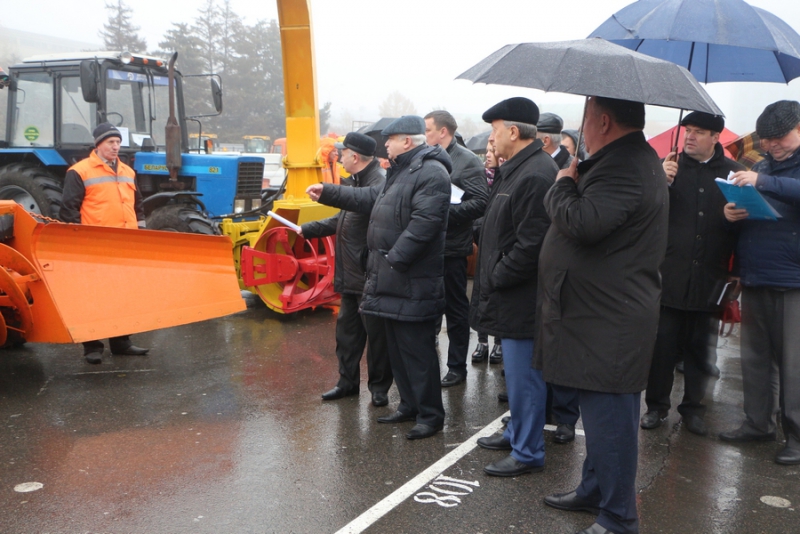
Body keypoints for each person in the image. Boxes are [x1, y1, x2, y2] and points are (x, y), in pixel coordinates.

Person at [536, 96, 668, 534]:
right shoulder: (623, 159)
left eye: (588, 120)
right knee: (601, 418)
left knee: (610, 423)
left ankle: (618, 517)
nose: (585, 129)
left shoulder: (626, 165)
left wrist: (563, 182)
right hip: (602, 314)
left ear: (605, 120)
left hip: (609, 320)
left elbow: (584, 222)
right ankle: (595, 490)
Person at [306, 116, 451, 440]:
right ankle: (409, 407)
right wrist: (328, 191)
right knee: (398, 349)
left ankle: (430, 416)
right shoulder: (399, 173)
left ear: (407, 142)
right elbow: (368, 200)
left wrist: (393, 259)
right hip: (391, 279)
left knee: (418, 351)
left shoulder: (431, 173)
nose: (385, 145)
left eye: (391, 140)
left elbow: (425, 224)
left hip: (410, 280)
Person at [641, 112, 744, 436]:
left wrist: (732, 218)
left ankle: (693, 409)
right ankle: (656, 406)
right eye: (688, 130)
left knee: (701, 349)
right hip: (668, 273)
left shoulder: (733, 174)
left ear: (716, 137)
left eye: (699, 132)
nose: (690, 137)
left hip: (709, 276)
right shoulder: (666, 166)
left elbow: (747, 227)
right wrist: (659, 181)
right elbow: (643, 214)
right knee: (662, 347)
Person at [469, 97, 556, 477]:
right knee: (516, 378)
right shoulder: (515, 169)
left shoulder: (535, 173)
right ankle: (517, 431)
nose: (492, 137)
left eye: (494, 130)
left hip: (522, 297)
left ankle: (528, 451)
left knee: (526, 378)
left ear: (513, 132)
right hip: (508, 294)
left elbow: (531, 244)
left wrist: (496, 275)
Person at [719, 100, 800, 466]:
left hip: (793, 280)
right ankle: (758, 423)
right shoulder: (764, 165)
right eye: (767, 139)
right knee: (755, 359)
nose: (771, 145)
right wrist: (733, 212)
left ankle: (796, 437)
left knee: (794, 365)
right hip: (757, 274)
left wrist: (762, 181)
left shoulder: (767, 173)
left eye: (779, 138)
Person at [300, 132, 393, 407]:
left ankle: (378, 389)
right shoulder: (354, 181)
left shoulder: (378, 182)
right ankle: (347, 382)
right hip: (349, 274)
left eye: (342, 153)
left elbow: (364, 200)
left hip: (368, 274)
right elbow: (342, 219)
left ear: (355, 157)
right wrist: (306, 230)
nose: (338, 157)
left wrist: (329, 192)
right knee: (347, 336)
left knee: (376, 338)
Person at [61, 122, 150, 364]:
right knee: (94, 296)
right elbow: (68, 210)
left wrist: (140, 234)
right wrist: (78, 243)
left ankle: (122, 342)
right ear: (98, 144)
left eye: (118, 142)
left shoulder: (128, 172)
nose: (116, 146)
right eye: (111, 142)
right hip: (95, 246)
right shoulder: (79, 171)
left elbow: (137, 205)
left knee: (122, 295)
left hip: (125, 244)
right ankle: (92, 346)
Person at [424, 110, 489, 387]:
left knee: (455, 309)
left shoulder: (467, 160)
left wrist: (443, 214)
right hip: (427, 247)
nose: (424, 135)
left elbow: (480, 202)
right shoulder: (425, 157)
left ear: (443, 132)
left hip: (452, 248)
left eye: (427, 130)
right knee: (427, 309)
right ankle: (428, 365)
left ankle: (456, 368)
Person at [472, 143, 503, 365]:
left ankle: (499, 342)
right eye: (487, 153)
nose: (488, 156)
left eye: (493, 152)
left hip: (499, 246)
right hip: (481, 241)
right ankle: (482, 341)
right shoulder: (482, 179)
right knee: (480, 297)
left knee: (498, 297)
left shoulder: (507, 179)